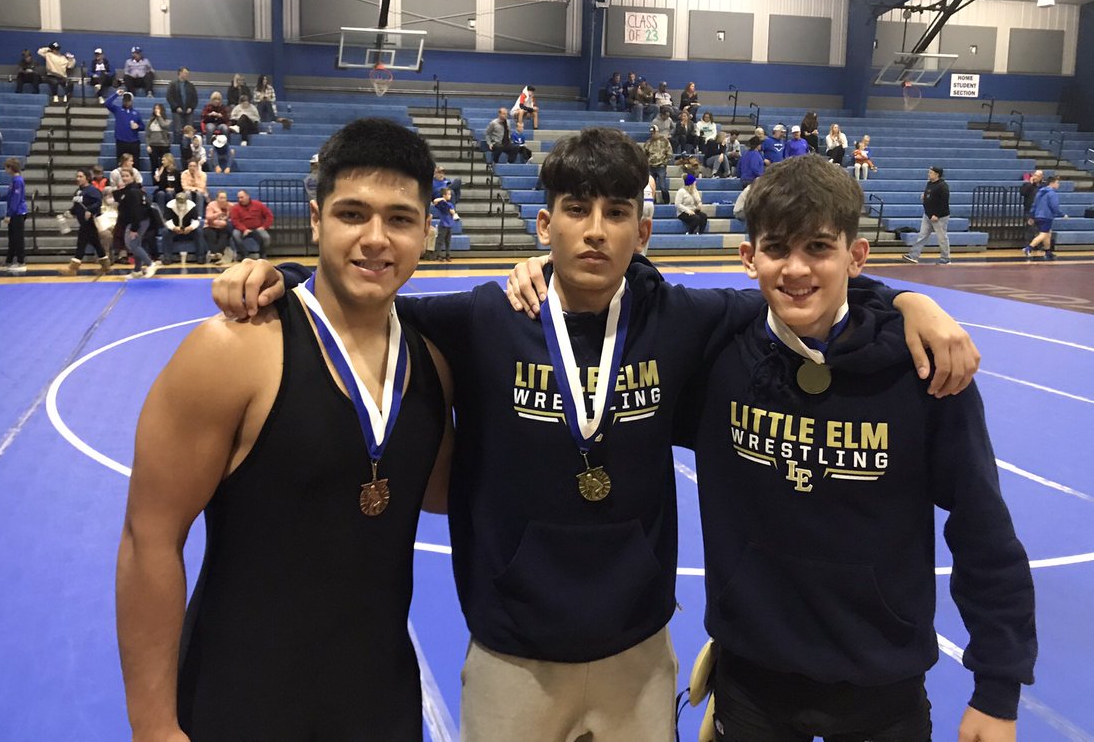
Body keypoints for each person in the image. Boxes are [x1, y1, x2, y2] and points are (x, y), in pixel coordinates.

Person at [210, 129, 978, 742]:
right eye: (576, 209)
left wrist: (908, 301)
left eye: (618, 213)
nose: (596, 231)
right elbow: (369, 303)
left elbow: (802, 286)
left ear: (644, 230)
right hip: (513, 650)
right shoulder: (485, 318)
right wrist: (278, 272)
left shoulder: (686, 318)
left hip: (636, 651)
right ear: (545, 223)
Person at [117, 118, 453, 741]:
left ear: (427, 231)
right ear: (317, 217)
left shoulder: (432, 364)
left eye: (401, 220)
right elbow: (149, 539)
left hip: (379, 704)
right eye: (353, 214)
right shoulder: (231, 351)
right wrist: (154, 728)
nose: (376, 239)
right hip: (239, 701)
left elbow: (440, 492)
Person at [688, 154, 1035, 742]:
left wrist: (997, 690)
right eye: (776, 248)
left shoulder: (924, 369)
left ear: (856, 255)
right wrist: (545, 269)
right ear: (749, 258)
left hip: (884, 690)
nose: (796, 269)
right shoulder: (715, 357)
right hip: (752, 683)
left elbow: (983, 529)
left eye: (819, 248)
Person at [63, 169, 111, 275]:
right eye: (77, 176)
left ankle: (73, 268)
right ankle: (105, 265)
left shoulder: (92, 190)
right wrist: (70, 212)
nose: (78, 178)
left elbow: (98, 202)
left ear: (87, 178)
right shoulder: (78, 191)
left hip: (89, 221)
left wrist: (90, 210)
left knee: (81, 243)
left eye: (81, 176)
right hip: (83, 221)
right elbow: (77, 206)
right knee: (96, 243)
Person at [902, 165, 951, 265]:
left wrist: (936, 214)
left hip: (939, 216)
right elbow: (929, 194)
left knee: (942, 237)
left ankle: (946, 258)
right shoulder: (929, 183)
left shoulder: (943, 186)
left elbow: (944, 202)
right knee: (922, 235)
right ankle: (913, 256)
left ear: (937, 174)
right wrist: (924, 197)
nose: (928, 174)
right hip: (928, 214)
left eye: (931, 172)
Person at [119, 172, 157, 278]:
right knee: (136, 244)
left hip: (137, 221)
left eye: (127, 176)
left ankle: (150, 264)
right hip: (139, 220)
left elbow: (136, 210)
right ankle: (137, 270)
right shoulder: (136, 190)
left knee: (132, 244)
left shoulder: (133, 192)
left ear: (133, 177)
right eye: (123, 176)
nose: (124, 178)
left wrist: (134, 228)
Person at [1025, 173, 1064, 261]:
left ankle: (1047, 251)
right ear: (1052, 183)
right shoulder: (1052, 193)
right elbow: (1054, 206)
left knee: (1048, 234)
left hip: (1038, 216)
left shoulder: (1040, 192)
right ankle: (1029, 248)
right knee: (1043, 234)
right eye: (1057, 183)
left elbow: (1034, 204)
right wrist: (1062, 214)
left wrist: (1031, 216)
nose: (1058, 184)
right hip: (1046, 216)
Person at [161, 191, 206, 265]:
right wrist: (174, 228)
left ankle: (200, 257)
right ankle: (167, 257)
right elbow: (167, 220)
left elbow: (196, 220)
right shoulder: (170, 206)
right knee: (165, 231)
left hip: (188, 230)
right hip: (175, 230)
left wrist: (190, 227)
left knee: (199, 231)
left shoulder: (191, 206)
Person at [230, 189, 274, 259]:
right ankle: (244, 254)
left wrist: (264, 226)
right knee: (235, 234)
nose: (240, 199)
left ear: (247, 196)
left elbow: (269, 216)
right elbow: (235, 221)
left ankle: (262, 254)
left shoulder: (258, 204)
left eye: (242, 197)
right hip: (242, 229)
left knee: (266, 238)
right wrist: (244, 229)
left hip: (257, 228)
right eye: (238, 198)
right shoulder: (235, 208)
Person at [2, 158, 28, 274]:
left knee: (17, 238)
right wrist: (0, 197)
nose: (5, 170)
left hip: (18, 213)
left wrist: (9, 214)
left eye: (6, 167)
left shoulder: (18, 181)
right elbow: (10, 196)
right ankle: (9, 260)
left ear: (11, 168)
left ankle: (21, 261)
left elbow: (16, 199)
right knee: (12, 238)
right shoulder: (14, 180)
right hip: (15, 212)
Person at [107, 89, 144, 165]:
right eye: (125, 100)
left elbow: (142, 126)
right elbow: (107, 103)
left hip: (133, 142)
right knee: (120, 163)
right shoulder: (118, 110)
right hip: (121, 141)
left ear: (131, 101)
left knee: (135, 163)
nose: (127, 102)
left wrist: (137, 127)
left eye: (128, 100)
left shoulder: (136, 113)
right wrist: (116, 94)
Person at [166, 67, 199, 151]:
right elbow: (169, 97)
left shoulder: (191, 86)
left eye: (187, 73)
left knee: (190, 130)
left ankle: (189, 147)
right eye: (185, 73)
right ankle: (177, 147)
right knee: (177, 130)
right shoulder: (173, 84)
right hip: (176, 111)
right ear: (180, 73)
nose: (186, 75)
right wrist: (176, 107)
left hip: (189, 111)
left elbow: (195, 98)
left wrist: (191, 107)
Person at [643, 123, 673, 204]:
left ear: (658, 132)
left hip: (661, 166)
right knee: (651, 186)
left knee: (662, 185)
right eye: (651, 133)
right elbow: (644, 154)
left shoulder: (665, 141)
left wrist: (665, 162)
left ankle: (666, 201)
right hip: (651, 166)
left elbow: (669, 153)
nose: (653, 134)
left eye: (654, 133)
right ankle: (653, 201)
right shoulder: (648, 142)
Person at [202, 190, 233, 264]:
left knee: (225, 234)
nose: (223, 200)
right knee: (211, 234)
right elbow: (208, 218)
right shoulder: (211, 205)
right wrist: (217, 215)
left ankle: (216, 255)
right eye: (221, 198)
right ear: (217, 199)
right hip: (210, 226)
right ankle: (218, 255)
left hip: (223, 227)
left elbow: (233, 218)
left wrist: (222, 223)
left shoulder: (230, 206)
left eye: (224, 198)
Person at [432, 186, 458, 262]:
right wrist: (442, 199)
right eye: (448, 194)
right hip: (443, 224)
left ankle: (447, 255)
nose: (450, 196)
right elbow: (435, 201)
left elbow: (453, 212)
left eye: (450, 194)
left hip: (449, 224)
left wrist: (453, 213)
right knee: (440, 241)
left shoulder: (450, 204)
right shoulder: (441, 203)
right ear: (444, 195)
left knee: (448, 241)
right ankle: (437, 255)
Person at [145, 104, 172, 171]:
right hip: (153, 146)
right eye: (155, 108)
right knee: (154, 166)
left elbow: (163, 125)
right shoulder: (150, 122)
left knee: (165, 166)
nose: (156, 110)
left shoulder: (167, 121)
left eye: (158, 108)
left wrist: (159, 116)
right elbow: (147, 135)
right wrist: (148, 145)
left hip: (164, 145)